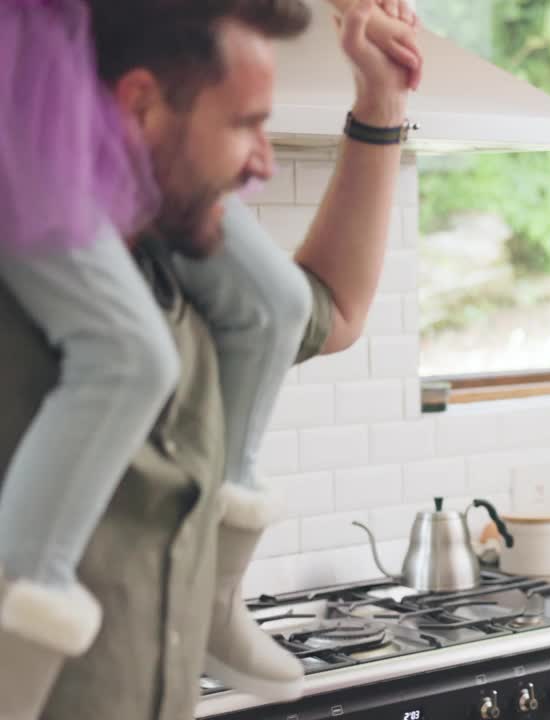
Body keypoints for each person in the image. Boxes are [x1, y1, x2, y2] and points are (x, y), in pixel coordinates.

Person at [0, 1, 419, 718]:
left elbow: (330, 312)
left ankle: (219, 599)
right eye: (244, 123)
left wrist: (380, 99)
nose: (265, 162)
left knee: (273, 306)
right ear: (139, 105)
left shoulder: (187, 259)